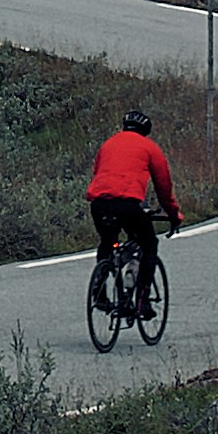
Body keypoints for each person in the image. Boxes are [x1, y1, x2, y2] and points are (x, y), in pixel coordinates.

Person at [84, 107, 179, 302]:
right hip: (127, 205)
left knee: (108, 241)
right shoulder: (150, 147)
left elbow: (98, 172)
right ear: (145, 131)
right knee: (149, 243)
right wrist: (173, 214)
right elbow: (164, 186)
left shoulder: (108, 144)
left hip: (99, 203)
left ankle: (99, 286)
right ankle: (142, 298)